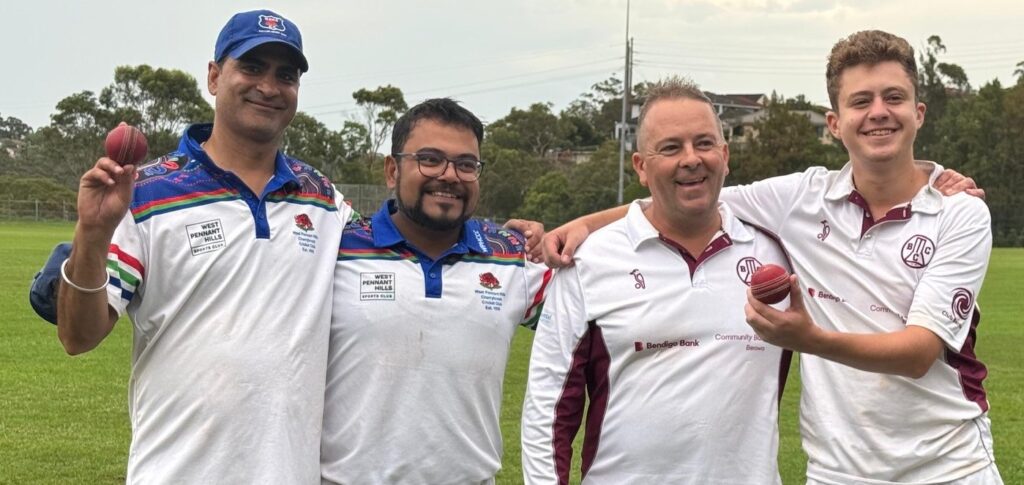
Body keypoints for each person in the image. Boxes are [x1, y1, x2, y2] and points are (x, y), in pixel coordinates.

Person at [543, 31, 1000, 484]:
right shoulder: (800, 198)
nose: (878, 112)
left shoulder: (959, 213)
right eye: (860, 101)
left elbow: (918, 354)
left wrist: (809, 338)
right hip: (837, 472)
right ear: (834, 123)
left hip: (949, 466)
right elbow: (686, 195)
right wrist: (584, 224)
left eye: (893, 97)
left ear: (918, 113)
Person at [54, 10, 352, 483]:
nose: (270, 87)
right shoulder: (146, 194)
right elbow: (78, 337)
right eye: (252, 68)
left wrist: (509, 240)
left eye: (286, 75)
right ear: (214, 76)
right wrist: (91, 233)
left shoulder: (324, 199)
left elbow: (401, 255)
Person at [521, 78, 791, 484]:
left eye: (704, 144)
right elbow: (549, 407)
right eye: (670, 147)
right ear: (641, 168)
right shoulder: (589, 260)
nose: (691, 159)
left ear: (725, 155)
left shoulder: (776, 254)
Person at [319, 98, 551, 484]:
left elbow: (597, 316)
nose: (449, 175)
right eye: (429, 159)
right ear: (392, 169)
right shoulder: (335, 251)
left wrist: (577, 229)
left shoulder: (513, 257)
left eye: (465, 164)